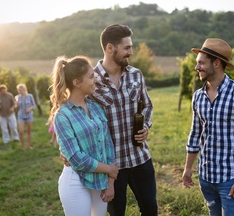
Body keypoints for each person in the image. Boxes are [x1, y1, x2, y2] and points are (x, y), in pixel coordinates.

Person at [182, 38, 234, 216]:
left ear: (216, 63)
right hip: (206, 178)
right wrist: (188, 168)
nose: (197, 67)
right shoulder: (198, 97)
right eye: (196, 63)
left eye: (201, 63)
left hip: (230, 180)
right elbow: (195, 134)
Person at [93, 24, 157, 216]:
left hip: (140, 158)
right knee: (116, 213)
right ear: (110, 48)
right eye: (127, 48)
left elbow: (147, 105)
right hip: (111, 166)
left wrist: (145, 125)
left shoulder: (136, 74)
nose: (131, 52)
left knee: (150, 209)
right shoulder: (91, 80)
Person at [50, 55, 119, 216]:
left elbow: (108, 145)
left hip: (100, 181)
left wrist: (110, 182)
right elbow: (75, 158)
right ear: (76, 83)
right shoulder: (62, 115)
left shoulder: (96, 107)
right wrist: (109, 169)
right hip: (76, 182)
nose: (95, 79)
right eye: (91, 76)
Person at [15, 83, 36, 149]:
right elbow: (16, 106)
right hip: (21, 115)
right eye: (19, 90)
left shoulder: (30, 96)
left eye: (21, 90)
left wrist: (29, 109)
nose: (20, 91)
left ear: (24, 89)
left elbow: (34, 105)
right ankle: (22, 146)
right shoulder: (17, 97)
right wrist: (15, 105)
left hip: (29, 115)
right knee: (21, 131)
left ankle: (29, 145)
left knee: (29, 131)